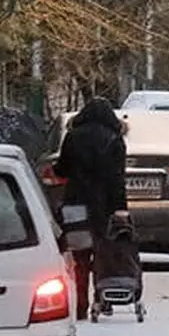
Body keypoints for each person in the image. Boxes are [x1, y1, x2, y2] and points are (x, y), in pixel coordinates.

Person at [53, 98, 129, 319]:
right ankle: (102, 299)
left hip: (75, 202)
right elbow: (117, 179)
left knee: (80, 255)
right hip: (103, 206)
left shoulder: (73, 137)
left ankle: (80, 305)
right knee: (104, 253)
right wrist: (121, 208)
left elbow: (62, 169)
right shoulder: (114, 139)